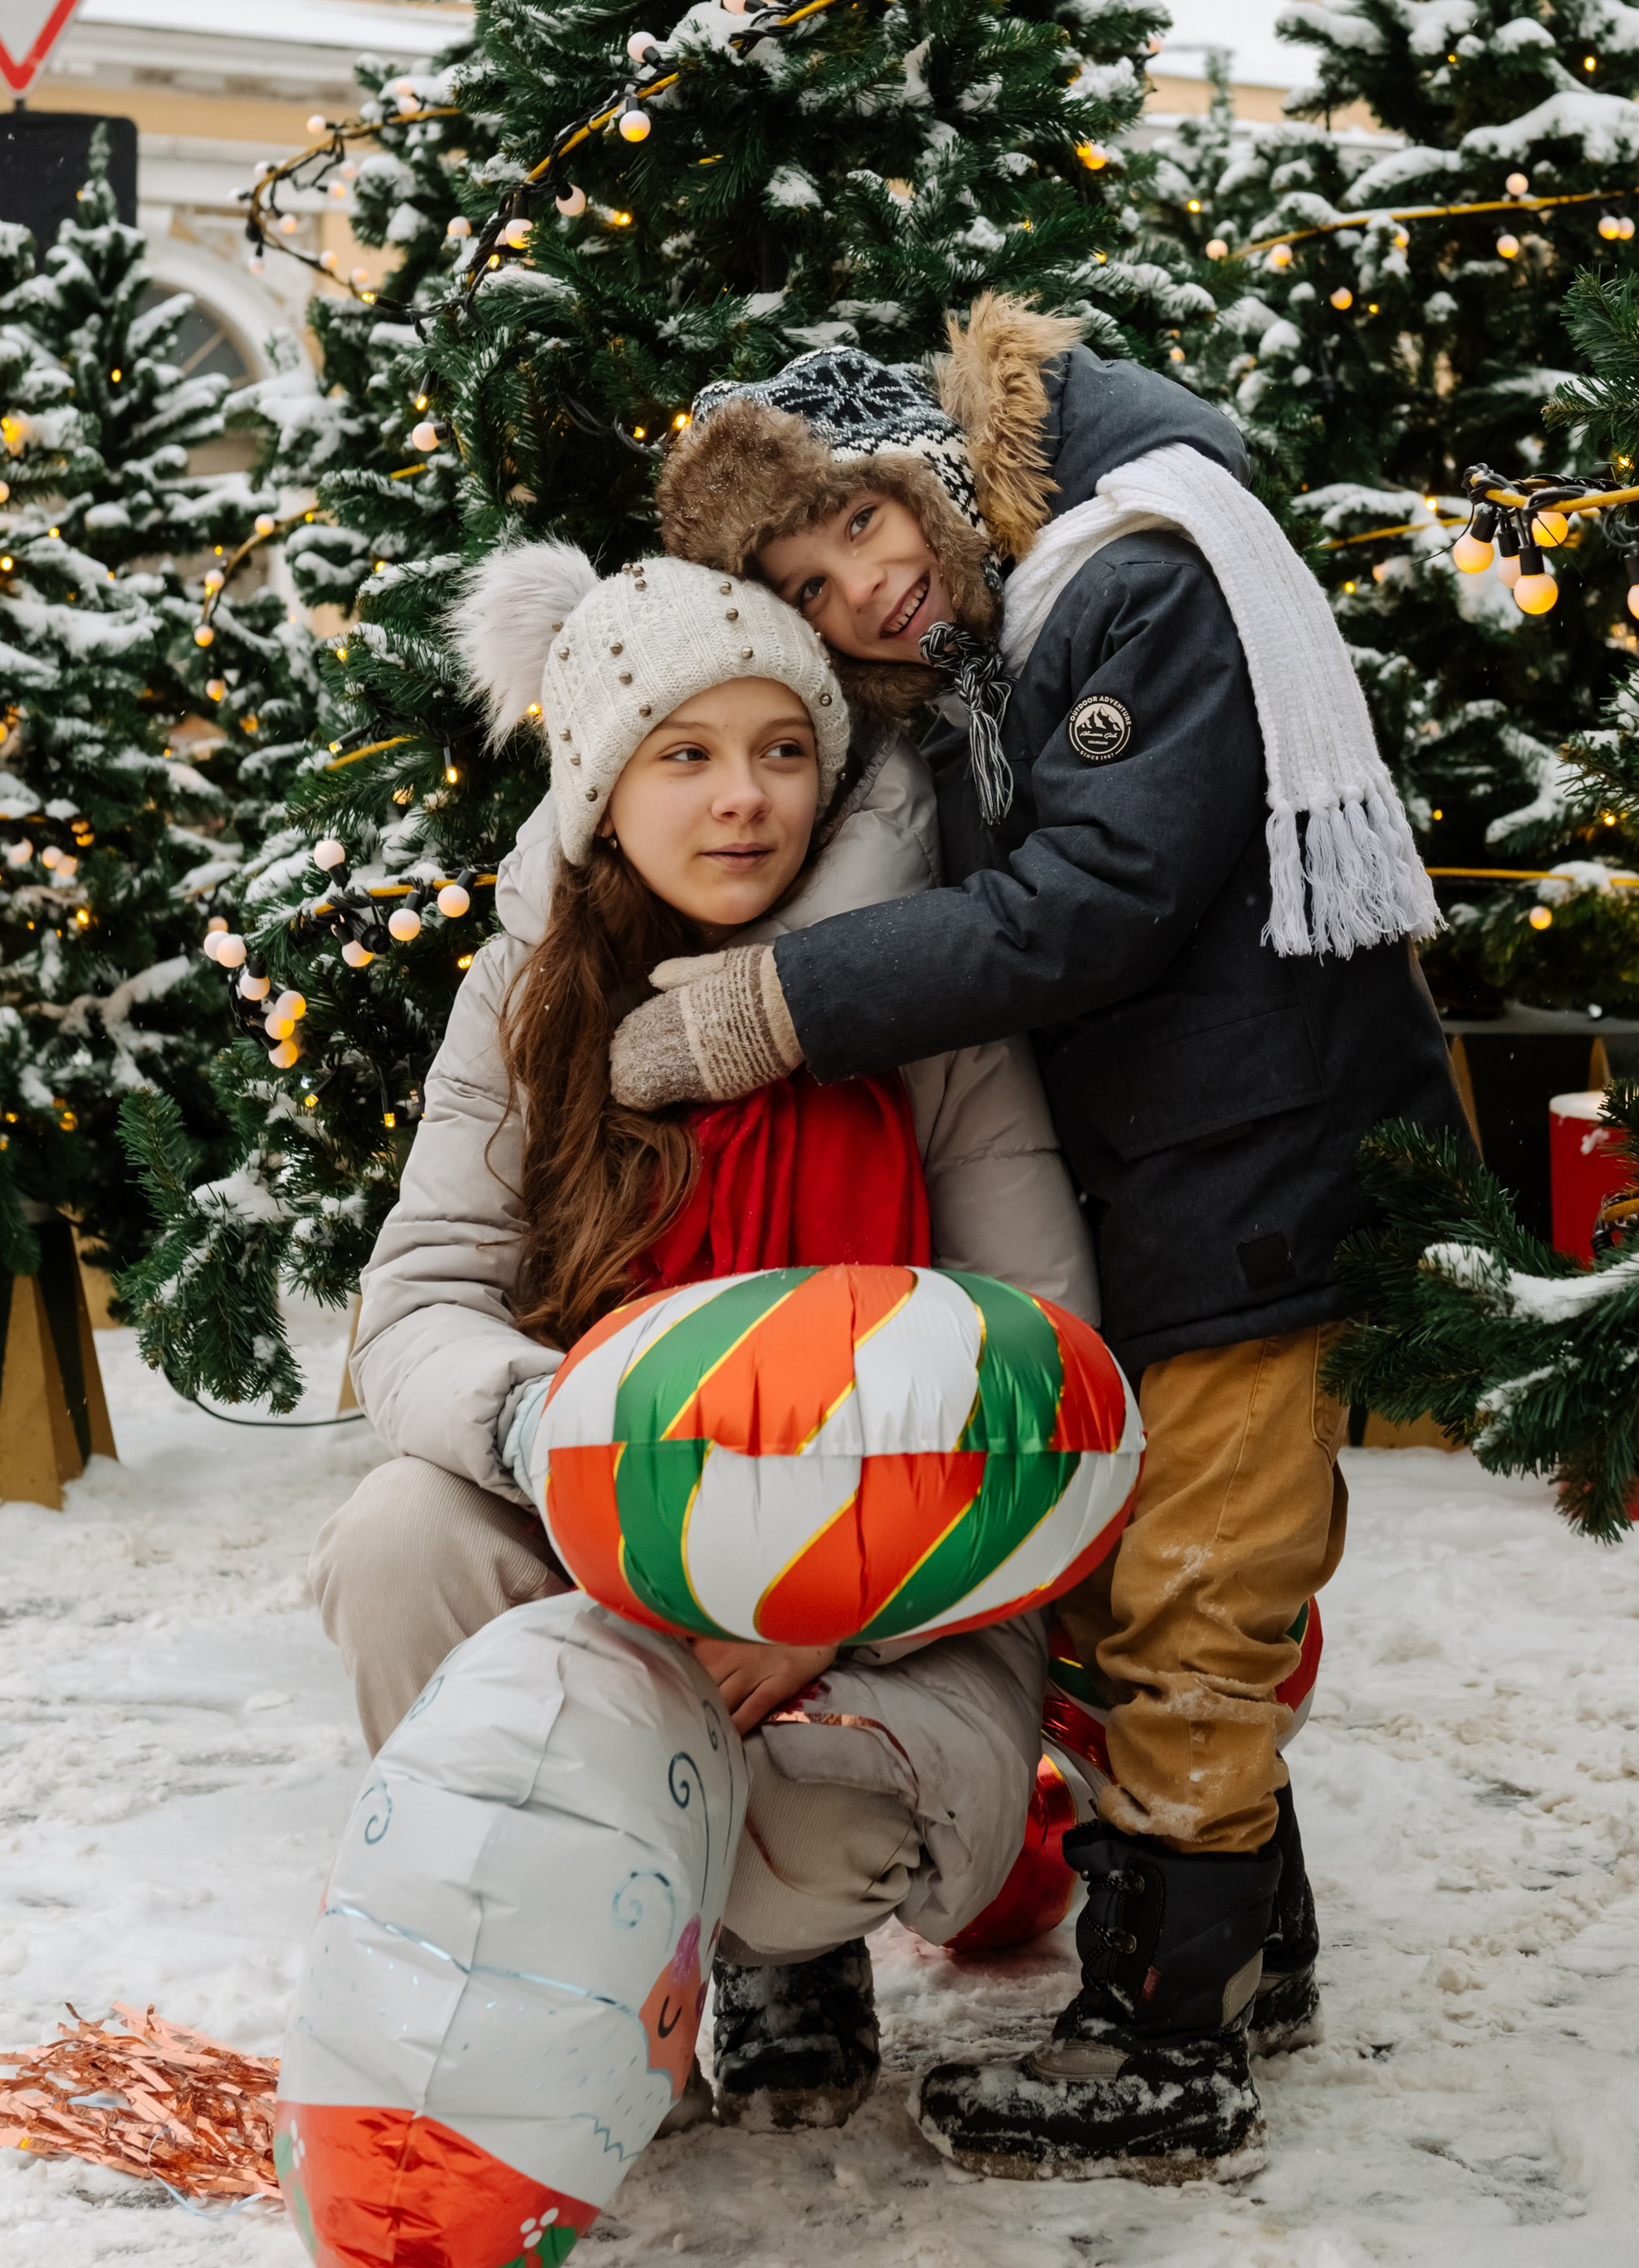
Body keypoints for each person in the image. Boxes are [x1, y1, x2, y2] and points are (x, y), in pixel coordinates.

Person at [623, 294, 1470, 2182]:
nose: (865, 586)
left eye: (860, 522)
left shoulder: (1138, 578)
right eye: (808, 576)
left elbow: (1098, 899)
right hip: (1175, 1169)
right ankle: (1250, 1961)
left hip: (1258, 1161)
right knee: (1135, 1584)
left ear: (922, 462)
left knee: (1190, 1594)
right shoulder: (1025, 621)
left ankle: (1161, 2046)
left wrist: (779, 1002)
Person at [313, 543, 1098, 2131]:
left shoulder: (923, 995)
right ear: (604, 782)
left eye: (783, 749)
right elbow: (415, 1307)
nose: (744, 797)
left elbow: (1047, 1355)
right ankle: (570, 1973)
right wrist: (564, 1443)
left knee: (806, 1835)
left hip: (875, 1600)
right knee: (399, 1534)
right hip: (607, 1539)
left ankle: (788, 1951)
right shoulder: (530, 994)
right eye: (686, 752)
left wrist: (830, 1596)